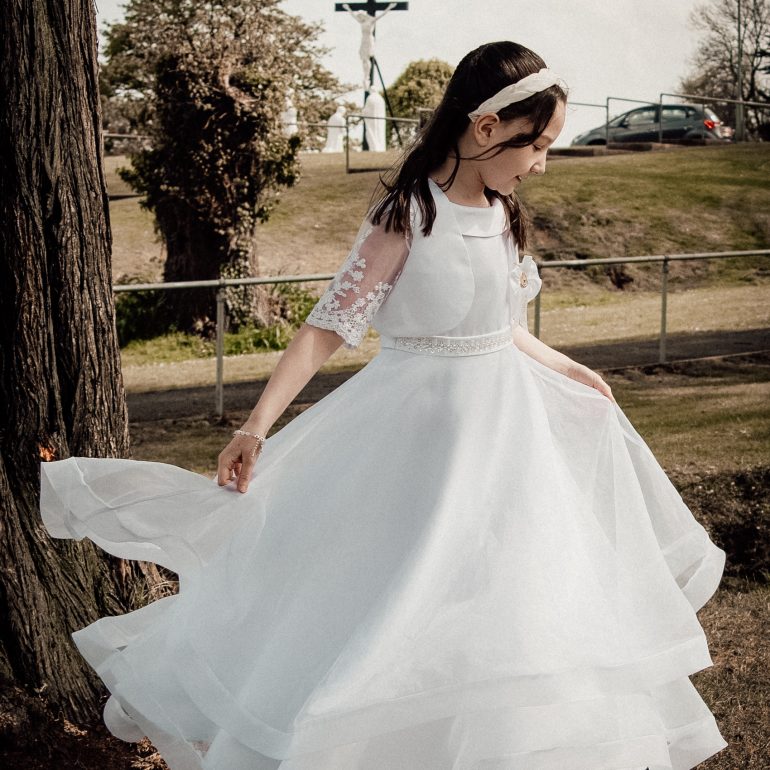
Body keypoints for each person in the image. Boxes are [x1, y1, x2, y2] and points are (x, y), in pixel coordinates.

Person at [40, 41, 728, 770]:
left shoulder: (503, 215)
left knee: (511, 592)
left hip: (507, 439)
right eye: (537, 145)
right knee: (400, 596)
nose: (542, 164)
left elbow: (503, 330)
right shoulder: (409, 215)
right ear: (486, 129)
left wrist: (573, 370)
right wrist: (254, 426)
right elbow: (326, 328)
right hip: (417, 438)